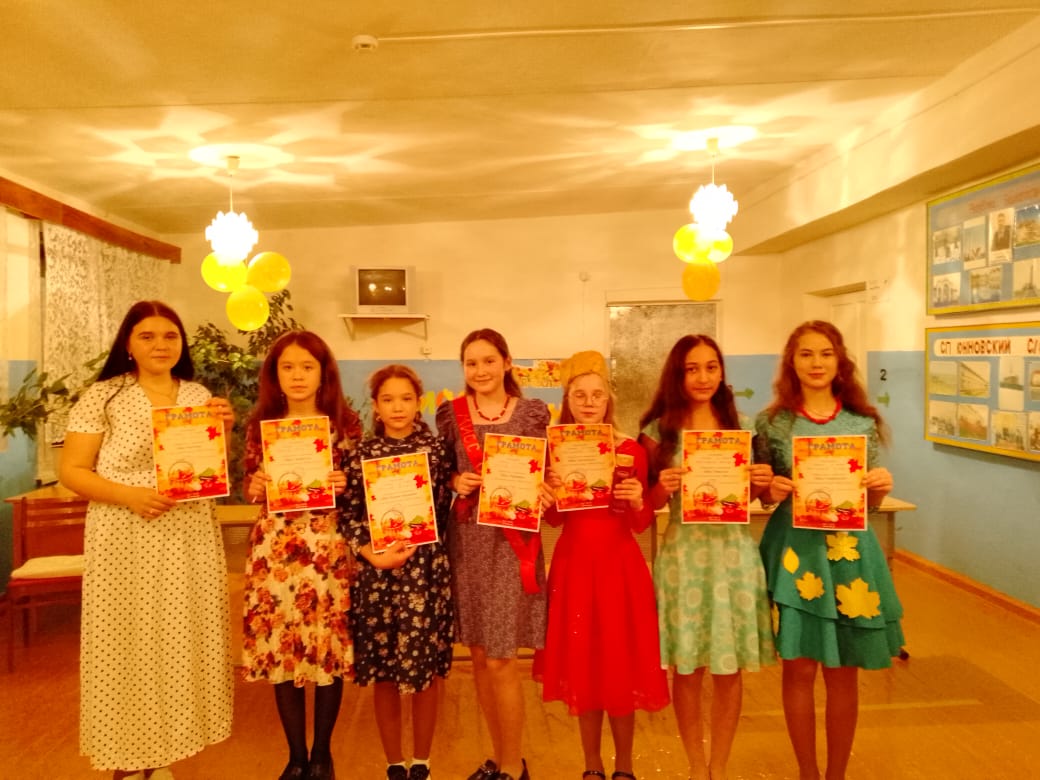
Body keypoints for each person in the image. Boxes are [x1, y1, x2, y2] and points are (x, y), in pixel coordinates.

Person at [60, 300, 234, 779]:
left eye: (170, 336)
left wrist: (223, 430)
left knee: (180, 640)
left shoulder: (197, 395)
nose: (161, 345)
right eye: (148, 336)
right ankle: (126, 757)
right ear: (128, 344)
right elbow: (71, 470)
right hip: (125, 532)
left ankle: (162, 753)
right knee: (127, 641)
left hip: (189, 532)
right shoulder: (104, 396)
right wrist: (129, 496)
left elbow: (208, 468)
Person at [754, 320, 904, 780]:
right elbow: (762, 495)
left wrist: (879, 487)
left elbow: (869, 502)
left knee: (843, 671)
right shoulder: (772, 423)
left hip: (848, 553)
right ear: (791, 362)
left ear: (840, 361)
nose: (816, 363)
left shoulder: (862, 422)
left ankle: (836, 774)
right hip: (796, 554)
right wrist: (770, 489)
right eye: (806, 354)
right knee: (798, 670)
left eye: (825, 353)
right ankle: (808, 773)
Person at [637, 334, 776, 780]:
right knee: (688, 667)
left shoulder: (744, 427)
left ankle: (720, 765)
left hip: (734, 556)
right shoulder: (657, 431)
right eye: (692, 369)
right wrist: (663, 488)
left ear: (721, 372)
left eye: (711, 367)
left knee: (729, 668)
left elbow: (754, 498)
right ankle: (697, 767)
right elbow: (645, 507)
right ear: (677, 375)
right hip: (684, 558)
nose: (703, 377)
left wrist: (760, 482)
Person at [537, 351, 669, 780]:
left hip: (619, 570)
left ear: (609, 399)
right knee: (585, 670)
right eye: (580, 395)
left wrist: (637, 499)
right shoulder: (555, 450)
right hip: (574, 568)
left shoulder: (630, 449)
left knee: (619, 669)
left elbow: (641, 522)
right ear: (568, 400)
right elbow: (554, 520)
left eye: (597, 394)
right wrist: (549, 493)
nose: (589, 402)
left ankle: (624, 767)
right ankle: (591, 766)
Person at [241, 331, 361, 780]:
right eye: (287, 367)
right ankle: (295, 756)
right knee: (282, 650)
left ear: (322, 373)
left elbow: (361, 491)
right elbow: (251, 484)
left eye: (307, 367)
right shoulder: (261, 424)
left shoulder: (345, 424)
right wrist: (255, 486)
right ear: (275, 374)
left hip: (326, 548)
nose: (297, 376)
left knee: (328, 649)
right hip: (274, 550)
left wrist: (345, 484)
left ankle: (322, 755)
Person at [435, 328, 552, 780]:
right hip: (467, 541)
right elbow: (441, 471)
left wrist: (546, 488)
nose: (480, 370)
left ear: (506, 362)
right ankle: (496, 755)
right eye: (471, 363)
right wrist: (454, 481)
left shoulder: (531, 413)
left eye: (488, 361)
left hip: (511, 542)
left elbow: (547, 470)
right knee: (481, 656)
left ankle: (512, 764)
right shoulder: (451, 414)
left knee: (503, 658)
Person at [342, 365, 455, 780]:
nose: (397, 407)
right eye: (388, 399)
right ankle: (394, 764)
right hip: (378, 575)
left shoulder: (437, 451)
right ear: (375, 405)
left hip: (425, 573)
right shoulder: (360, 453)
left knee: (426, 673)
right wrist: (370, 555)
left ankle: (422, 762)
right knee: (385, 673)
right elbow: (349, 516)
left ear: (418, 402)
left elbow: (447, 507)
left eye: (406, 398)